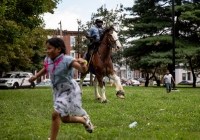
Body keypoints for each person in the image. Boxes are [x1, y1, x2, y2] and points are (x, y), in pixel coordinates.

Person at [28, 37, 94, 140]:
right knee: (64, 119)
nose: (47, 51)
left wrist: (84, 64)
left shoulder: (67, 60)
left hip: (69, 90)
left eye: (49, 48)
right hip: (57, 90)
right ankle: (83, 120)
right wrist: (36, 76)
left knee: (55, 114)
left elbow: (82, 70)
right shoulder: (48, 60)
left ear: (58, 49)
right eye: (46, 48)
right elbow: (46, 69)